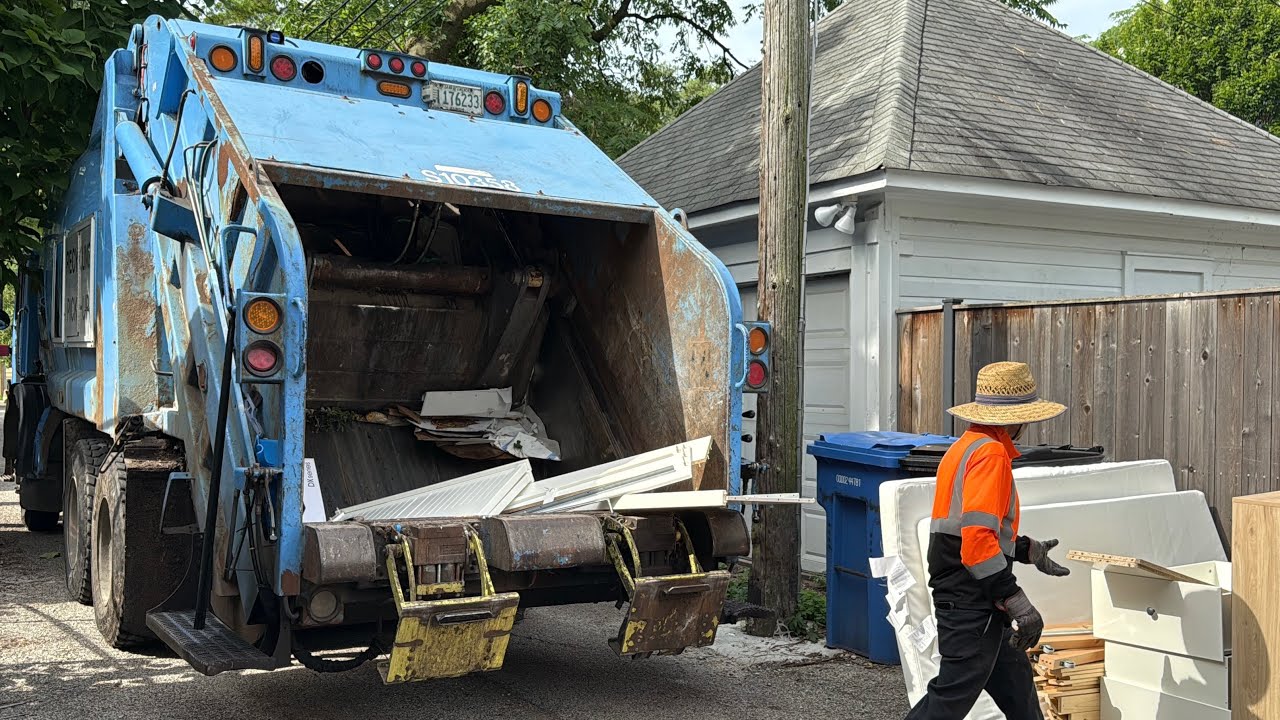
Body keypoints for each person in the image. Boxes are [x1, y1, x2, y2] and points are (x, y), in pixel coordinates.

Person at [905, 361, 1071, 720]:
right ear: (1018, 418)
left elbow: (972, 530)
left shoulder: (966, 446)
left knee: (1019, 692)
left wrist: (1028, 550)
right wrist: (1015, 599)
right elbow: (976, 543)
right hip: (971, 598)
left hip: (972, 595)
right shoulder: (991, 455)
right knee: (950, 698)